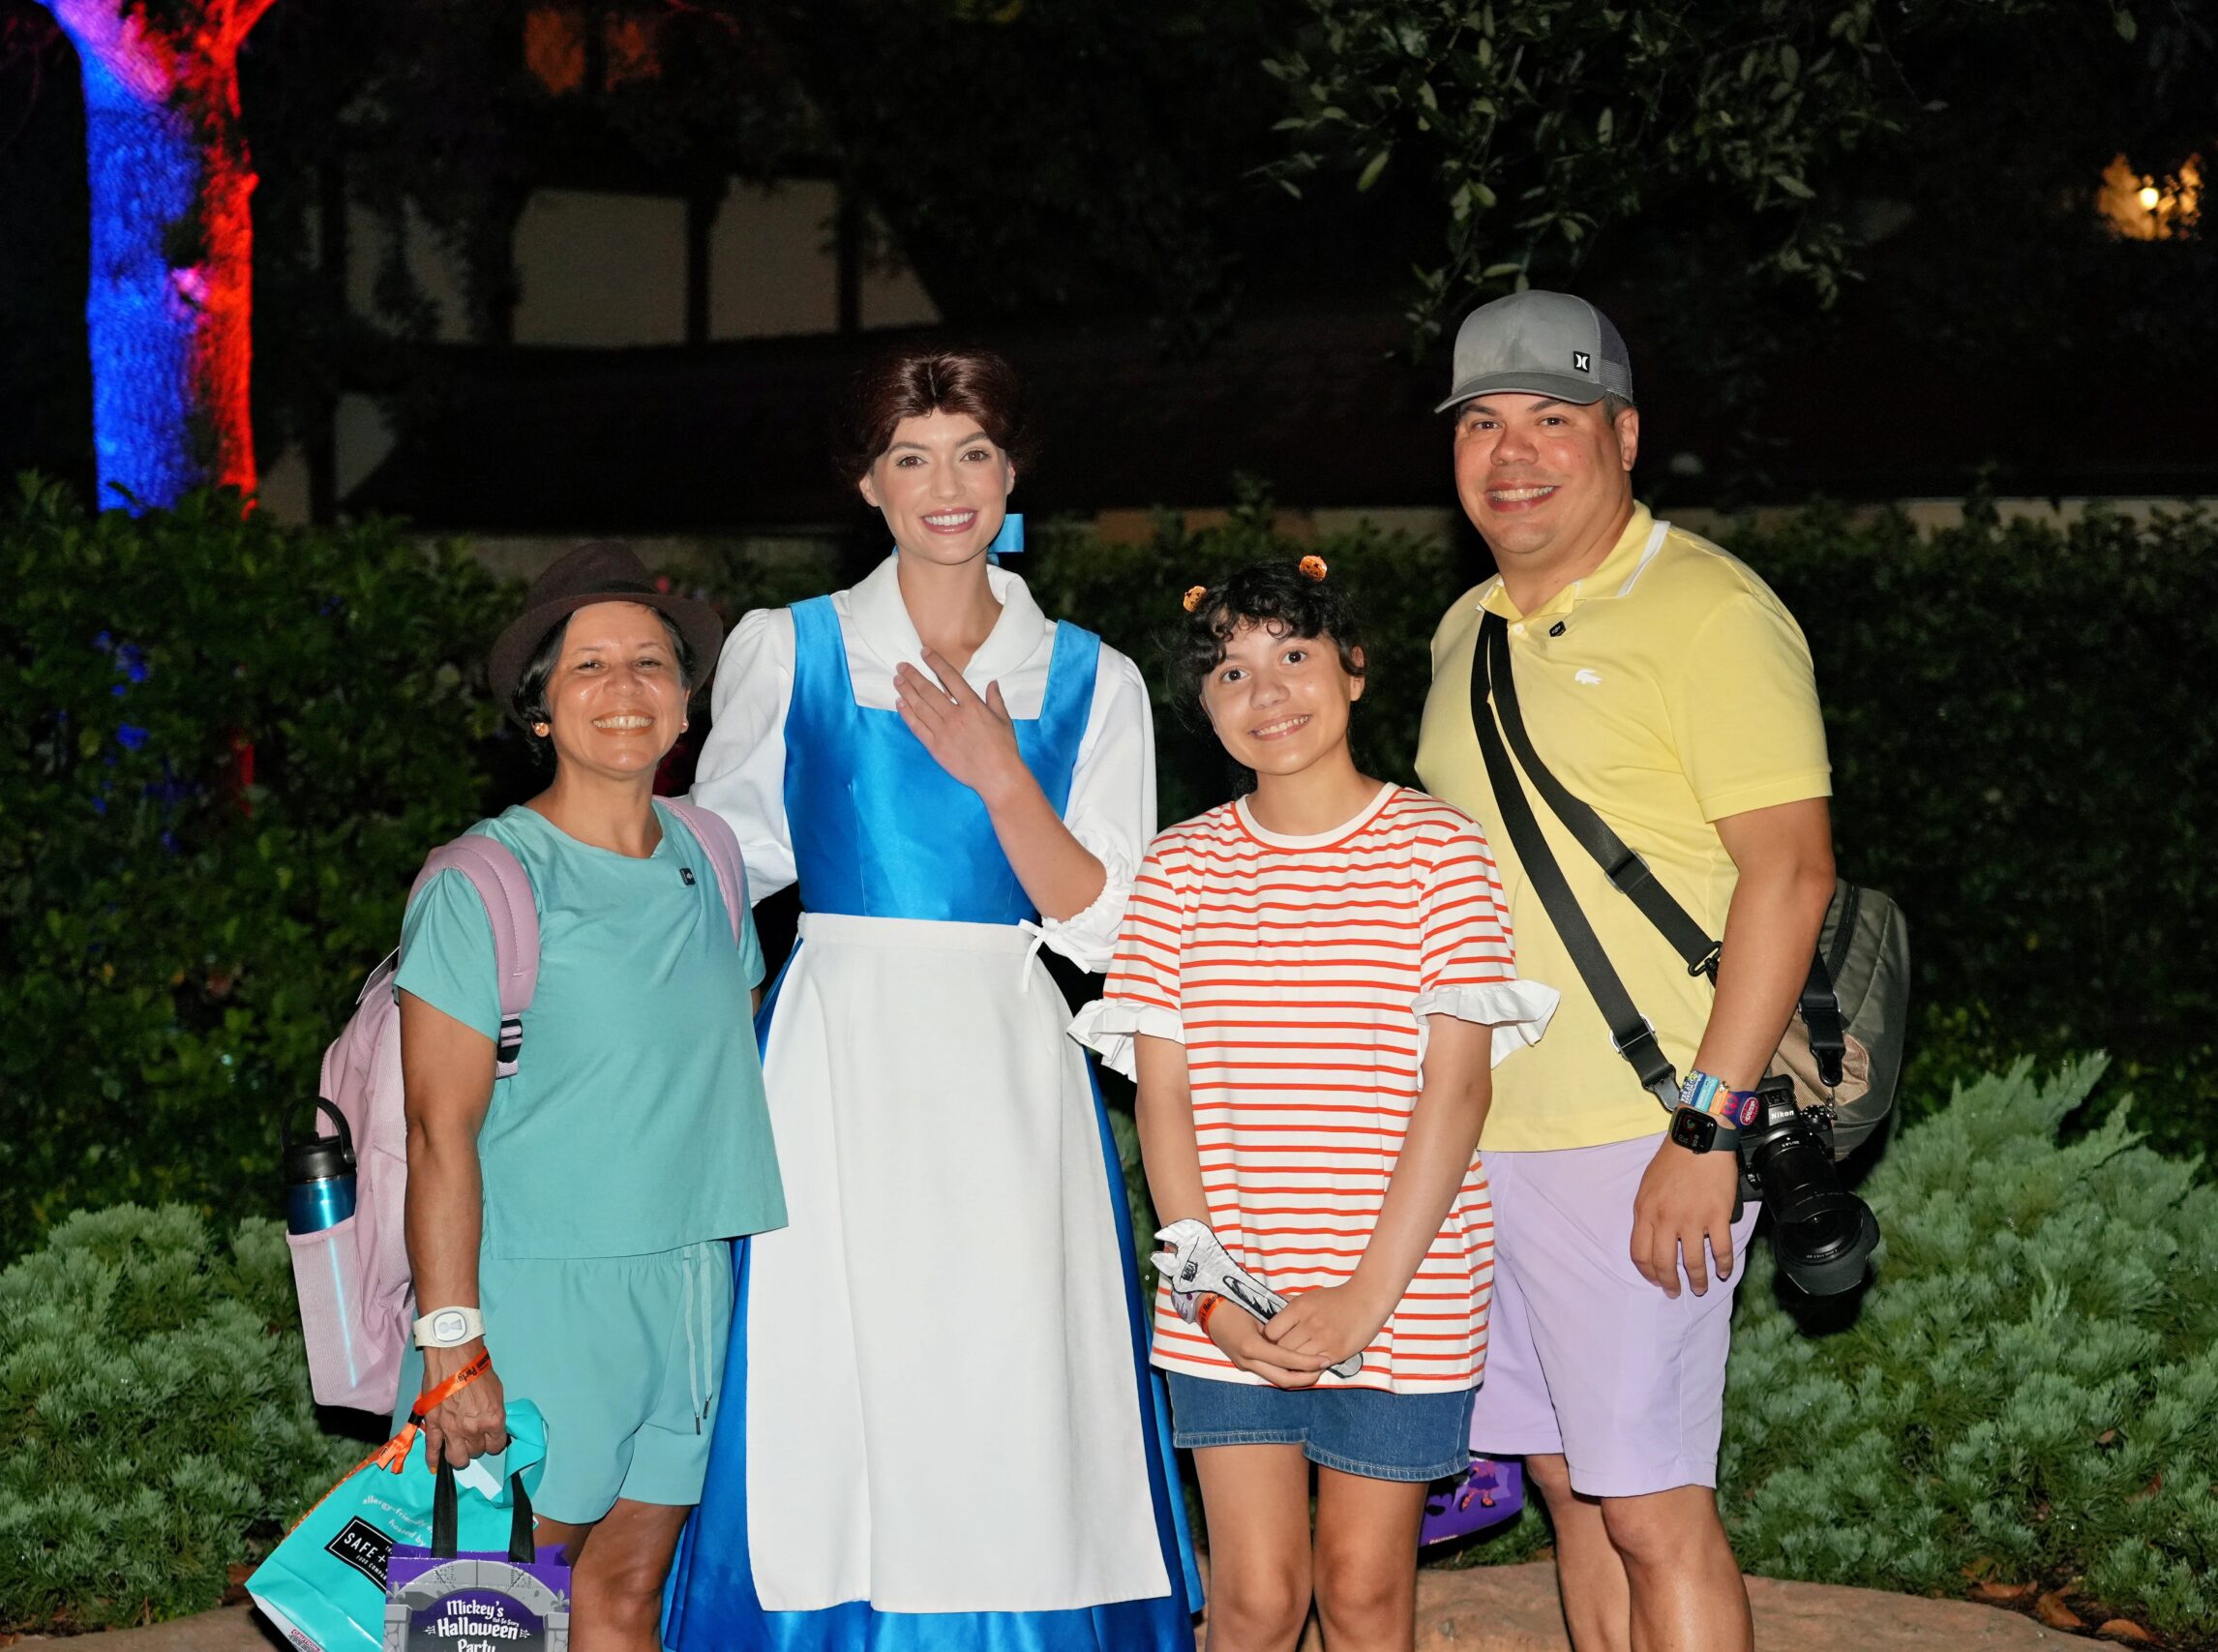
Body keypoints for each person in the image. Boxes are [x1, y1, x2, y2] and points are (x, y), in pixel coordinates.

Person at [664, 346, 1200, 1651]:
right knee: (833, 1363)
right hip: (835, 1052)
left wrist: (1001, 776)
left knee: (1013, 1365)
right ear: (869, 482)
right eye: (911, 456)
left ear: (1011, 475)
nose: (944, 485)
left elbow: (1112, 923)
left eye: (972, 454)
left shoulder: (1092, 676)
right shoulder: (788, 646)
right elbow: (719, 870)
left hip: (1010, 1053)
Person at [1414, 291, 1837, 1652]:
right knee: (1568, 1485)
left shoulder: (1710, 609)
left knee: (1653, 1506)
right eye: (1482, 422)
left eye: (1554, 417)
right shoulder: (1461, 631)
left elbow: (1790, 873)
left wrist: (1708, 1124)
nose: (1513, 453)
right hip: (1488, 1136)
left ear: (1626, 434)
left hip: (1647, 1127)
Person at [1075, 559, 1557, 1652]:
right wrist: (1209, 1293)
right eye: (1230, 672)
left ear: (1353, 670)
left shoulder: (1438, 849)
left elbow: (1459, 1087)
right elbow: (1164, 1097)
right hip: (1226, 1296)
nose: (1268, 691)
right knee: (1252, 1601)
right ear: (1206, 710)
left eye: (1293, 654)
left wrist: (1364, 1298)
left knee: (1363, 1595)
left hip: (1402, 1291)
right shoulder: (1178, 870)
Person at [398, 541, 787, 1652]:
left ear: (685, 705)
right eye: (588, 666)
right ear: (540, 708)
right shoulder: (482, 880)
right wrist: (454, 1344)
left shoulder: (713, 855)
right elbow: (436, 1133)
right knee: (482, 1622)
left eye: (651, 663)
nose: (625, 688)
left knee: (624, 1599)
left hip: (692, 1285)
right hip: (537, 1297)